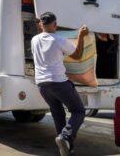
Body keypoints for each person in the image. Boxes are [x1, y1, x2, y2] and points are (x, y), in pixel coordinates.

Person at [31, 11, 88, 156]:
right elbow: (78, 55)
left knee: (58, 114)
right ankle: (65, 136)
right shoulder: (59, 40)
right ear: (55, 24)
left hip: (42, 85)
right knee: (78, 111)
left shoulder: (34, 40)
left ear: (41, 24)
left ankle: (67, 149)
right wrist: (81, 36)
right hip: (58, 83)